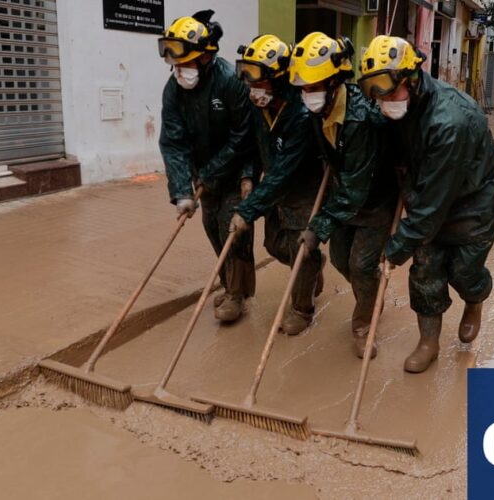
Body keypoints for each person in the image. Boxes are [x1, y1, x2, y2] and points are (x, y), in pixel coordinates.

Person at [358, 36, 494, 373]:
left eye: (388, 92)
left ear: (411, 79)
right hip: (426, 191)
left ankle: (475, 296)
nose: (382, 102)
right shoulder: (396, 105)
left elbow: (432, 207)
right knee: (425, 268)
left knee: (463, 270)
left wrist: (395, 247)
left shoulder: (450, 120)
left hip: (473, 201)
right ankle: (429, 341)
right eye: (375, 93)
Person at [289, 32, 398, 359]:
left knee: (361, 266)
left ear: (335, 82)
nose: (307, 94)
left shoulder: (360, 118)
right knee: (339, 260)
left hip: (374, 201)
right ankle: (372, 294)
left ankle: (363, 324)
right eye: (303, 88)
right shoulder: (317, 109)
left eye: (314, 86)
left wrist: (317, 227)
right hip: (343, 199)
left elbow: (357, 189)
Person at [158, 11, 256, 322]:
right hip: (205, 176)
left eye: (185, 62)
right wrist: (182, 190)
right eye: (174, 63)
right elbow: (173, 142)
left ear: (205, 58)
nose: (178, 70)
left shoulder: (230, 81)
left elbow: (243, 136)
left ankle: (237, 296)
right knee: (213, 230)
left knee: (234, 231)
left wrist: (215, 172)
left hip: (237, 170)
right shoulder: (173, 89)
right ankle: (229, 286)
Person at [229, 34, 326, 335]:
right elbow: (251, 146)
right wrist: (248, 175)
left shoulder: (299, 113)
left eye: (258, 79)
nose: (252, 87)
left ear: (279, 78)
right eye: (248, 77)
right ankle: (313, 267)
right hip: (274, 188)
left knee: (301, 250)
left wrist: (248, 211)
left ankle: (302, 309)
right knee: (274, 244)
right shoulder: (261, 106)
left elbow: (285, 171)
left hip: (302, 189)